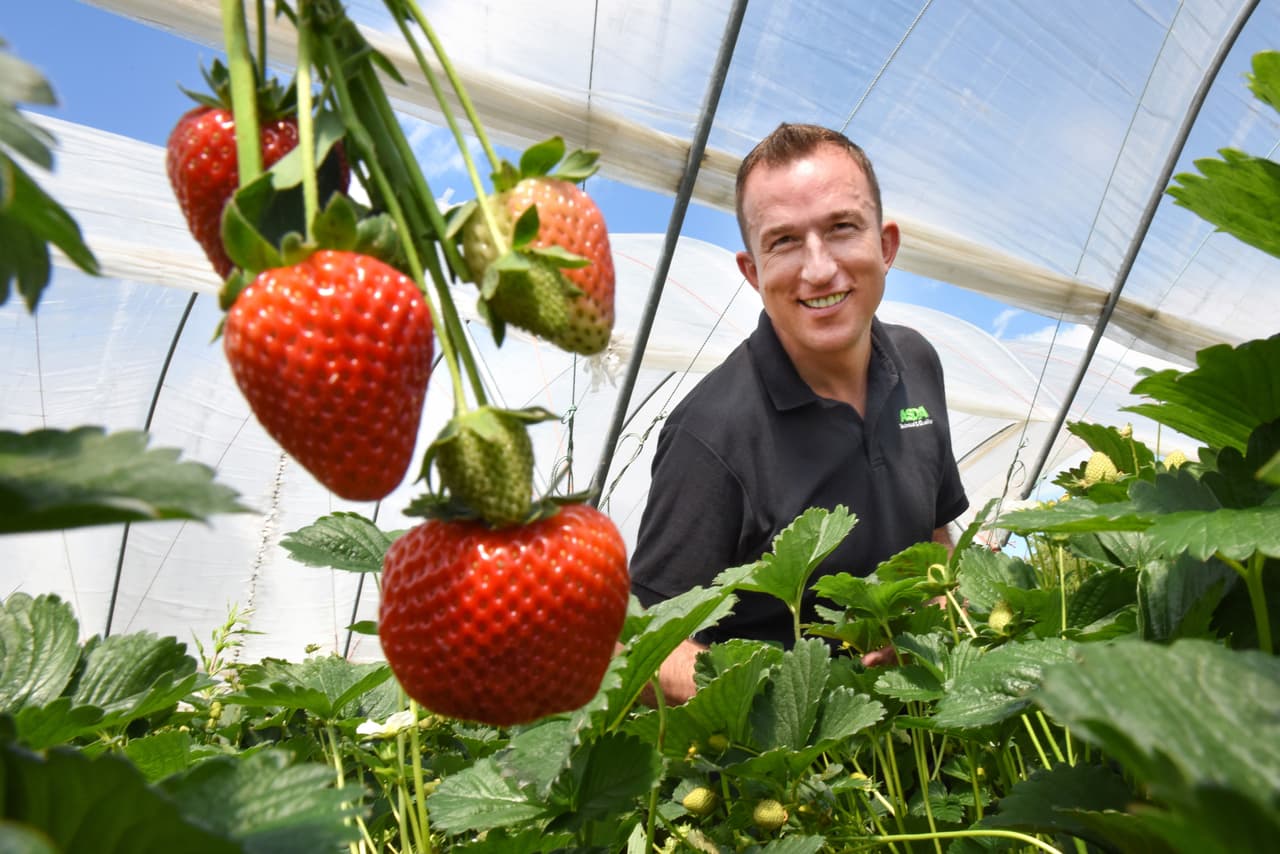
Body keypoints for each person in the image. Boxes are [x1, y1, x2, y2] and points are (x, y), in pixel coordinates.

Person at [629, 123, 969, 703]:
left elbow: (936, 531)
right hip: (793, 769)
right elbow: (648, 646)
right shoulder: (711, 432)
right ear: (753, 272)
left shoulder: (918, 362)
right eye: (784, 241)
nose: (818, 270)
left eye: (841, 228)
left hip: (920, 720)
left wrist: (938, 602)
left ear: (885, 245)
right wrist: (791, 700)